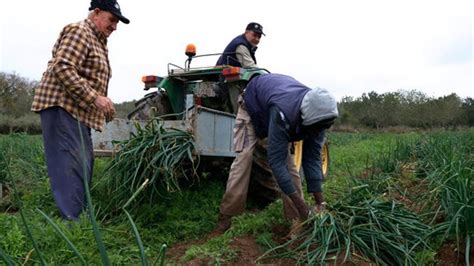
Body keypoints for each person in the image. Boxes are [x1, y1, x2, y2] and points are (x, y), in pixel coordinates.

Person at [30, 0, 129, 220]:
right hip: (61, 107)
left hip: (76, 111)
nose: (114, 26)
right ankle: (73, 223)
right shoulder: (80, 31)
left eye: (117, 22)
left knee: (83, 163)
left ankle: (80, 217)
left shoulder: (97, 40)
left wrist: (103, 104)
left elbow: (86, 77)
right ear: (96, 13)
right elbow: (62, 67)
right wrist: (96, 98)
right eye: (112, 19)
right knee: (70, 163)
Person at [216, 73, 338, 232]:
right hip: (252, 109)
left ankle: (297, 220)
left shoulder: (320, 118)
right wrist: (303, 206)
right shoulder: (284, 113)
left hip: (272, 106)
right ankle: (226, 215)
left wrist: (320, 204)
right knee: (244, 160)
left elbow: (312, 158)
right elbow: (276, 163)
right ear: (306, 118)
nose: (325, 129)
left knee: (290, 167)